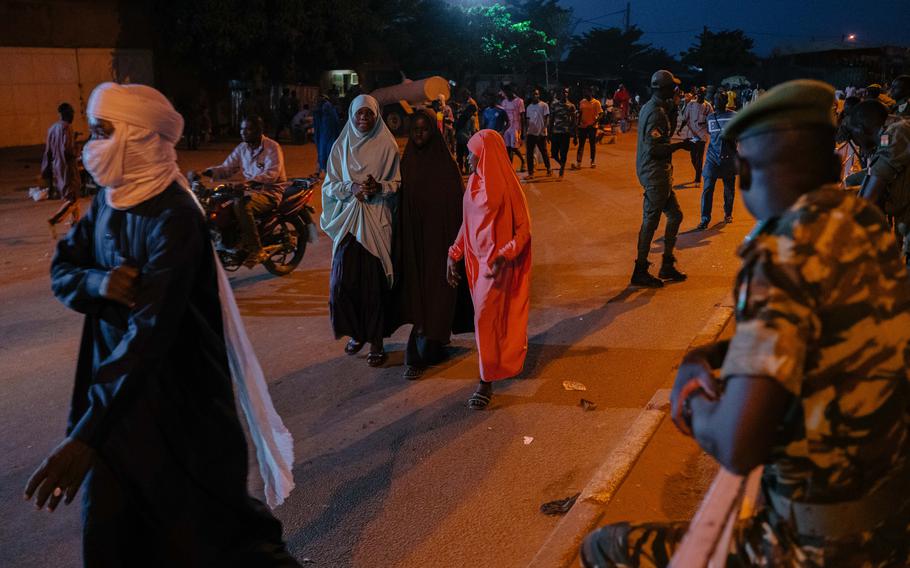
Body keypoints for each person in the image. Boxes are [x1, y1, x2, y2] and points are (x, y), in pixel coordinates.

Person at [581, 79, 910, 568]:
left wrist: (692, 408)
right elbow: (812, 333)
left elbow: (739, 442)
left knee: (604, 548)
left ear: (757, 168)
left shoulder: (783, 251)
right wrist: (706, 356)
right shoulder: (861, 225)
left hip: (817, 547)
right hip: (892, 525)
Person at [30, 82, 298, 567]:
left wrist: (85, 435)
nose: (91, 146)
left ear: (136, 138)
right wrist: (99, 283)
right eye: (92, 132)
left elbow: (149, 334)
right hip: (116, 407)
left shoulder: (175, 216)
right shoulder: (110, 203)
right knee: (116, 536)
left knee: (212, 538)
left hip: (178, 408)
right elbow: (62, 270)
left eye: (102, 132)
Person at [447, 130, 531, 410]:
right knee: (487, 320)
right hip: (474, 262)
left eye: (473, 153)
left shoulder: (508, 186)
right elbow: (466, 221)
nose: (468, 157)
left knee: (484, 317)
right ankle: (495, 365)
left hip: (496, 266)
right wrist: (454, 253)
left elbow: (523, 230)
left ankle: (486, 381)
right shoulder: (472, 183)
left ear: (485, 156)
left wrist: (505, 255)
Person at [321, 94, 400, 367]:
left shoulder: (387, 145)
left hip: (376, 220)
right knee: (342, 283)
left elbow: (398, 184)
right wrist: (350, 188)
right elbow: (329, 185)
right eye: (359, 114)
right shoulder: (340, 146)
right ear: (352, 115)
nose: (363, 119)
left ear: (376, 115)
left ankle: (376, 342)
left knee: (373, 286)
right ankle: (356, 332)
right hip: (348, 221)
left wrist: (379, 188)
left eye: (368, 114)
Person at [393, 111, 473, 379]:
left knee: (438, 296)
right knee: (419, 297)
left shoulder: (446, 165)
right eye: (414, 130)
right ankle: (426, 348)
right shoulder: (407, 164)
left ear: (434, 132)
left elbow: (458, 207)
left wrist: (455, 249)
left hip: (442, 246)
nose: (419, 135)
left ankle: (422, 351)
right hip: (415, 246)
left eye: (424, 130)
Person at [189, 115, 286, 265]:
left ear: (259, 130)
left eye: (248, 129)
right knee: (217, 202)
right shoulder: (242, 148)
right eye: (242, 129)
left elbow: (272, 173)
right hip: (248, 190)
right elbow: (227, 168)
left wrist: (250, 182)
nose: (243, 132)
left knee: (241, 204)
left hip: (269, 193)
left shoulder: (272, 147)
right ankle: (230, 241)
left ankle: (256, 249)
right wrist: (204, 172)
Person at [631, 70, 690, 288]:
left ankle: (666, 264)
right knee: (651, 222)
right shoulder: (656, 113)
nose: (675, 90)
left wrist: (673, 109)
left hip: (658, 172)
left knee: (675, 216)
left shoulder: (654, 108)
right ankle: (640, 270)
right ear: (662, 88)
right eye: (672, 87)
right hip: (655, 173)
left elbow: (664, 133)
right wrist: (682, 145)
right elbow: (656, 148)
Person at [844, 99, 910, 265]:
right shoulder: (891, 131)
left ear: (861, 128)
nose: (854, 138)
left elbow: (871, 195)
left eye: (854, 133)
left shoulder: (897, 132)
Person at [695, 92, 737, 230]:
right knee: (707, 189)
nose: (717, 101)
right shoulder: (710, 117)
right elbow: (712, 136)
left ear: (725, 102)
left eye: (720, 99)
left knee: (729, 189)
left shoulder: (734, 116)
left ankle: (728, 213)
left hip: (729, 158)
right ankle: (704, 219)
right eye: (716, 99)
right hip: (712, 158)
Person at [42, 102, 81, 236]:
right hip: (68, 168)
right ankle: (54, 220)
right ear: (68, 114)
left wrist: (46, 171)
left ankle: (75, 226)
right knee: (73, 199)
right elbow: (67, 150)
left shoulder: (52, 128)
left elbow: (48, 151)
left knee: (72, 196)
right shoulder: (67, 128)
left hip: (58, 168)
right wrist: (78, 150)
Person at [676, 87, 712, 185]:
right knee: (693, 158)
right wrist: (680, 129)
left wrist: (712, 132)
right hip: (692, 135)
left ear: (705, 95)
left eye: (702, 94)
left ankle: (698, 179)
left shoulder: (708, 106)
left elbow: (711, 120)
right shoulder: (691, 104)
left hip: (702, 136)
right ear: (697, 93)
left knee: (699, 157)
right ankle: (699, 172)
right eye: (699, 93)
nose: (700, 95)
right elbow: (685, 118)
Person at [523, 89, 551, 180]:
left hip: (541, 133)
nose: (535, 96)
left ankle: (548, 168)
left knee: (544, 152)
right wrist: (526, 132)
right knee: (529, 153)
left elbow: (546, 120)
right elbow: (527, 120)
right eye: (533, 94)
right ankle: (530, 172)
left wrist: (543, 131)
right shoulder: (529, 107)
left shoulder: (544, 105)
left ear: (539, 95)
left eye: (536, 94)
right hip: (531, 133)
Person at [548, 87, 577, 178]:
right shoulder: (554, 105)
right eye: (563, 92)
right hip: (555, 132)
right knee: (554, 153)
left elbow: (574, 120)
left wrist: (575, 135)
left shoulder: (571, 106)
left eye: (566, 92)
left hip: (565, 133)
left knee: (564, 152)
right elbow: (551, 119)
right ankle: (562, 164)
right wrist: (549, 132)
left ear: (568, 93)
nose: (565, 93)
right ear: (560, 93)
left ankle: (562, 169)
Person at [573, 87, 602, 169]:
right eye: (584, 93)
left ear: (590, 93)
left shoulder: (596, 103)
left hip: (592, 127)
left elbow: (601, 114)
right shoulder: (582, 102)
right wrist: (578, 124)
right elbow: (580, 113)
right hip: (583, 126)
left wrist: (595, 122)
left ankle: (592, 161)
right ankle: (578, 162)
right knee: (581, 144)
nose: (585, 94)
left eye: (586, 93)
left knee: (592, 144)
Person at [313, 94, 342, 176]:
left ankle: (326, 172)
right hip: (324, 133)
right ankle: (320, 170)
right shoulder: (325, 108)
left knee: (325, 152)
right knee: (323, 152)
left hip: (327, 134)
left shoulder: (326, 107)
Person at [500, 84, 526, 172]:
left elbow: (522, 116)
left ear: (510, 91)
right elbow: (503, 116)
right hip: (507, 128)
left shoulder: (519, 101)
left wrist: (522, 131)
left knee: (514, 148)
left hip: (515, 127)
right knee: (508, 148)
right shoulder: (504, 102)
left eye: (506, 92)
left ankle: (523, 161)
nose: (505, 94)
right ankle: (510, 167)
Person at [455, 90, 479, 175]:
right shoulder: (469, 116)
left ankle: (463, 169)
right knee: (465, 154)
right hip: (466, 137)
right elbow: (472, 129)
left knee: (462, 154)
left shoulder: (465, 113)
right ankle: (465, 170)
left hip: (462, 137)